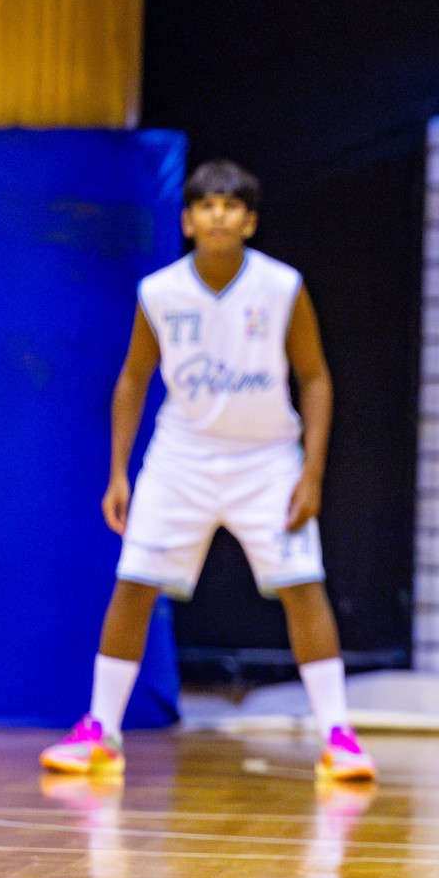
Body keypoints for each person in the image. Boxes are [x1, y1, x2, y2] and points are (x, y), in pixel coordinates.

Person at [39, 160, 376, 783]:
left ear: (249, 220)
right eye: (206, 204)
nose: (218, 214)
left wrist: (312, 475)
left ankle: (340, 734)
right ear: (188, 220)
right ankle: (99, 731)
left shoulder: (282, 286)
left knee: (303, 582)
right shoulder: (160, 292)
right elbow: (133, 379)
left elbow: (316, 377)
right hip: (182, 457)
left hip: (268, 459)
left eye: (231, 204)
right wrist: (119, 472)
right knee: (134, 580)